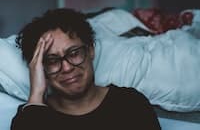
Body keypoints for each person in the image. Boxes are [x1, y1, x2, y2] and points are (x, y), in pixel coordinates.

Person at [11, 8, 161, 130]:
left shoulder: (130, 104)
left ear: (90, 50)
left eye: (74, 53)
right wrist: (36, 95)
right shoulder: (30, 117)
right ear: (41, 69)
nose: (67, 67)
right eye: (52, 61)